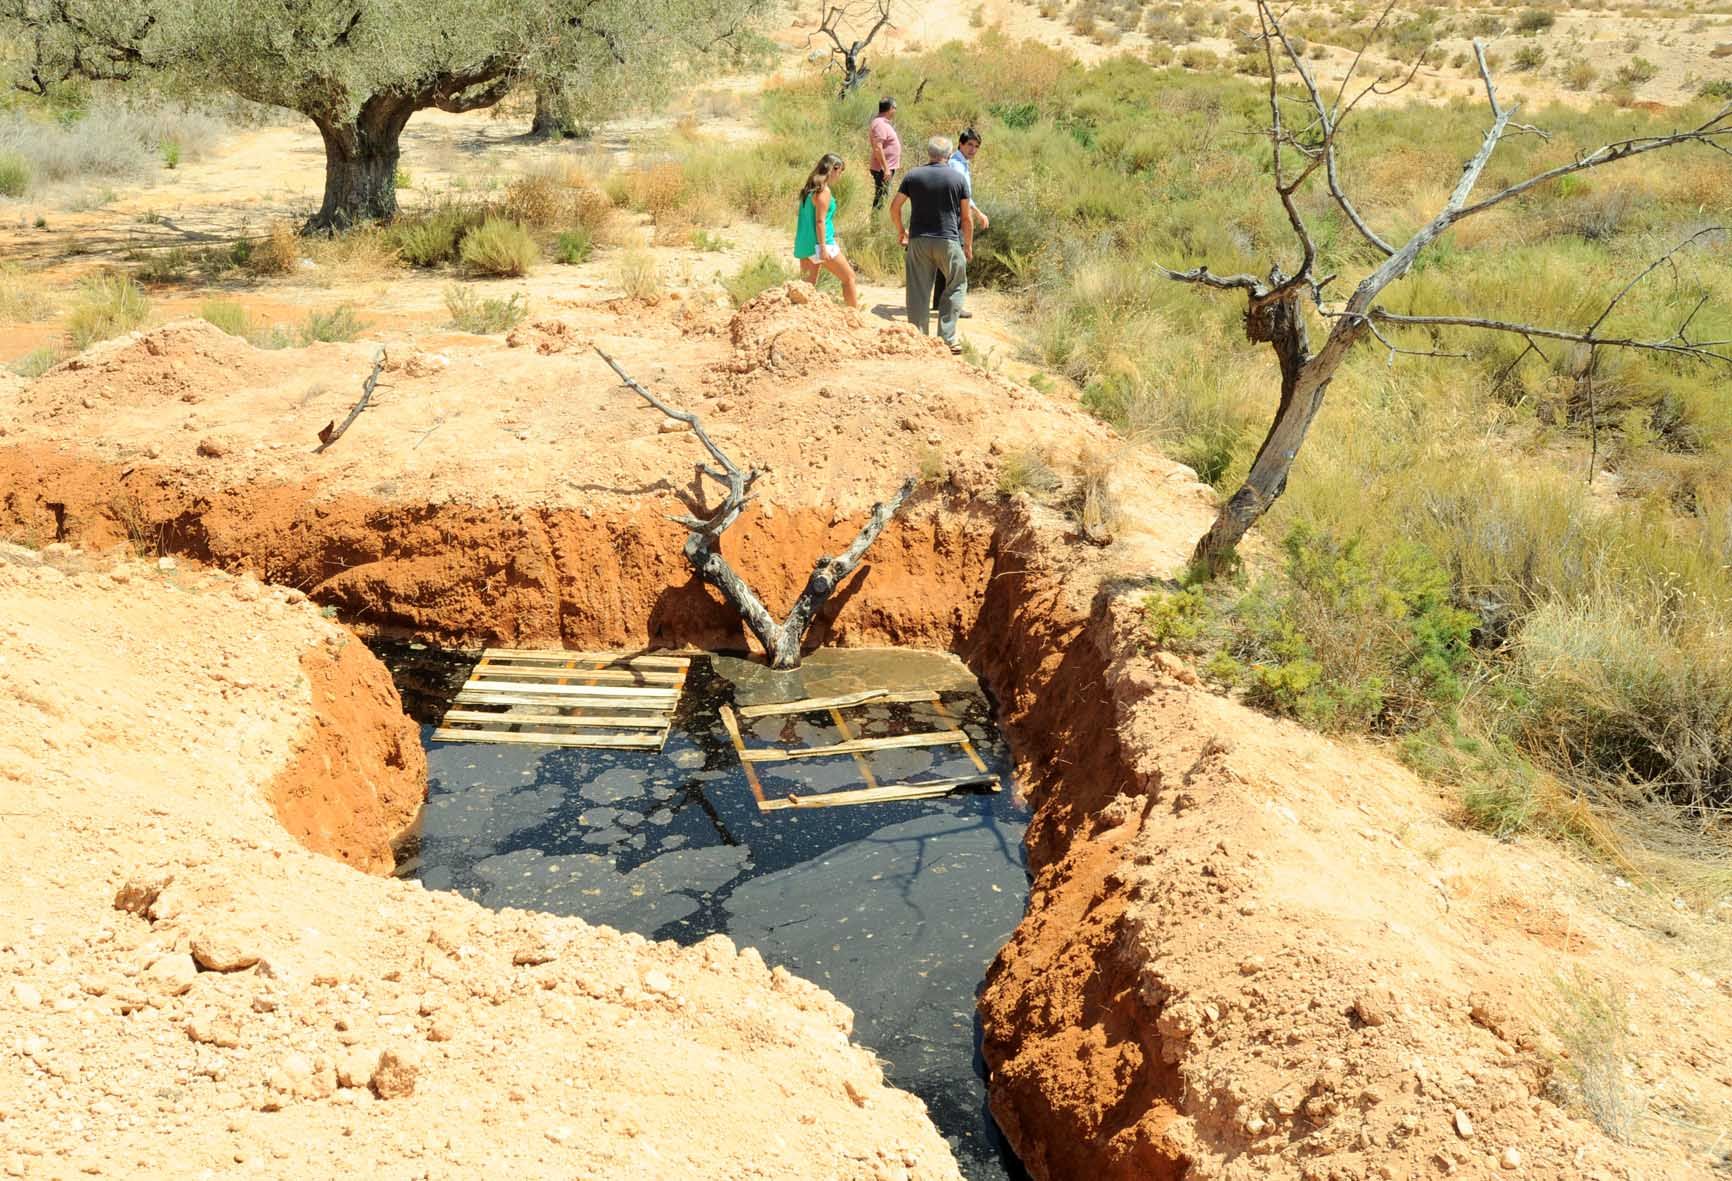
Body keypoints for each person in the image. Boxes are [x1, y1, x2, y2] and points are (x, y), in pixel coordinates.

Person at [889, 136, 973, 353]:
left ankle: (917, 339)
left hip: (918, 240)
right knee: (956, 285)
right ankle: (947, 339)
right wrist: (968, 245)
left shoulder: (913, 175)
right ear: (949, 153)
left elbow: (895, 207)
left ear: (929, 153)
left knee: (917, 290)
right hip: (948, 240)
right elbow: (966, 218)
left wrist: (901, 231)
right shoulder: (957, 178)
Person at [932, 127, 990, 319]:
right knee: (957, 261)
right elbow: (962, 195)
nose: (973, 149)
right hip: (954, 215)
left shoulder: (961, 163)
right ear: (961, 144)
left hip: (950, 214)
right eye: (970, 145)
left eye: (976, 146)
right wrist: (978, 213)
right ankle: (952, 306)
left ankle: (939, 302)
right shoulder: (957, 165)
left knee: (947, 260)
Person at [792, 152, 859, 309]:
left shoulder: (809, 189)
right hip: (822, 244)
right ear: (833, 169)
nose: (840, 176)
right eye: (840, 171)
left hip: (805, 244)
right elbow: (820, 221)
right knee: (849, 277)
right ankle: (854, 316)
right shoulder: (824, 191)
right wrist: (822, 248)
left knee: (807, 288)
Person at [867, 97, 900, 210]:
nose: (895, 111)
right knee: (881, 198)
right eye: (895, 108)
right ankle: (875, 225)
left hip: (885, 167)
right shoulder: (879, 124)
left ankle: (876, 223)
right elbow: (877, 147)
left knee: (882, 197)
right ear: (890, 109)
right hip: (882, 169)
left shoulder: (882, 123)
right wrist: (886, 168)